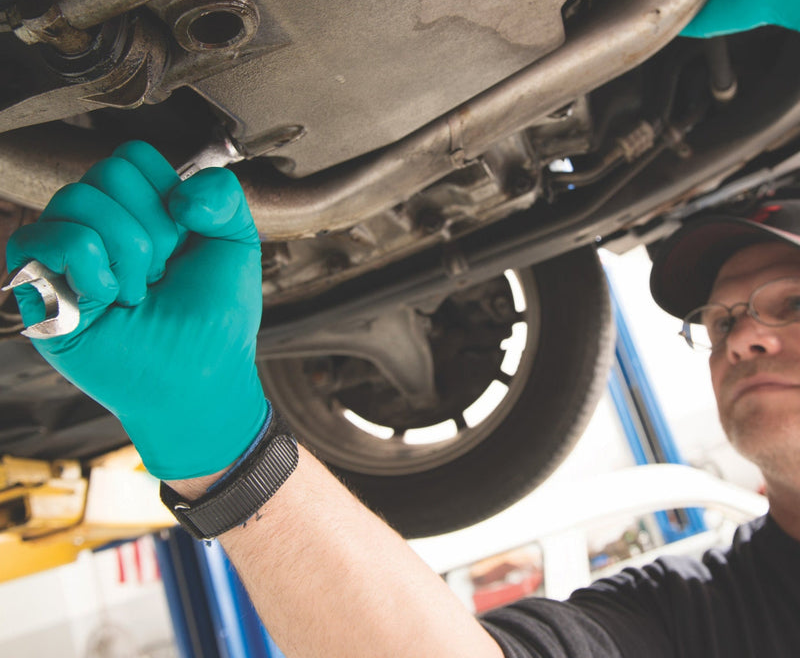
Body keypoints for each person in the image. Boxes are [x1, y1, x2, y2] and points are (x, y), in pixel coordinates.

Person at [5, 142, 800, 657]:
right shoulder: (694, 609)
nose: (740, 338)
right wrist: (224, 445)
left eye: (789, 304)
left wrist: (215, 453)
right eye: (723, 318)